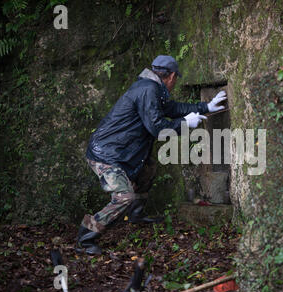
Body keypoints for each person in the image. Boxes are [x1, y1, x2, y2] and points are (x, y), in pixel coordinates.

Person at [76, 55, 227, 255]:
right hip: (106, 155)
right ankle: (86, 236)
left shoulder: (151, 88)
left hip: (121, 152)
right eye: (176, 79)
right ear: (172, 76)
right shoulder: (148, 90)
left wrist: (205, 107)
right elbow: (158, 129)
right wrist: (185, 124)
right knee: (124, 196)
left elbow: (171, 108)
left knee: (147, 169)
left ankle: (135, 215)